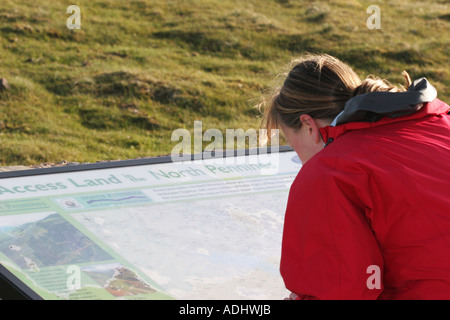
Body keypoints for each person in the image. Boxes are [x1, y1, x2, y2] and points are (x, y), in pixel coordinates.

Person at [259, 53, 450, 299]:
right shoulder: (439, 122)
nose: (298, 160)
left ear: (308, 126)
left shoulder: (332, 172)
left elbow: (342, 291)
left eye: (291, 143)